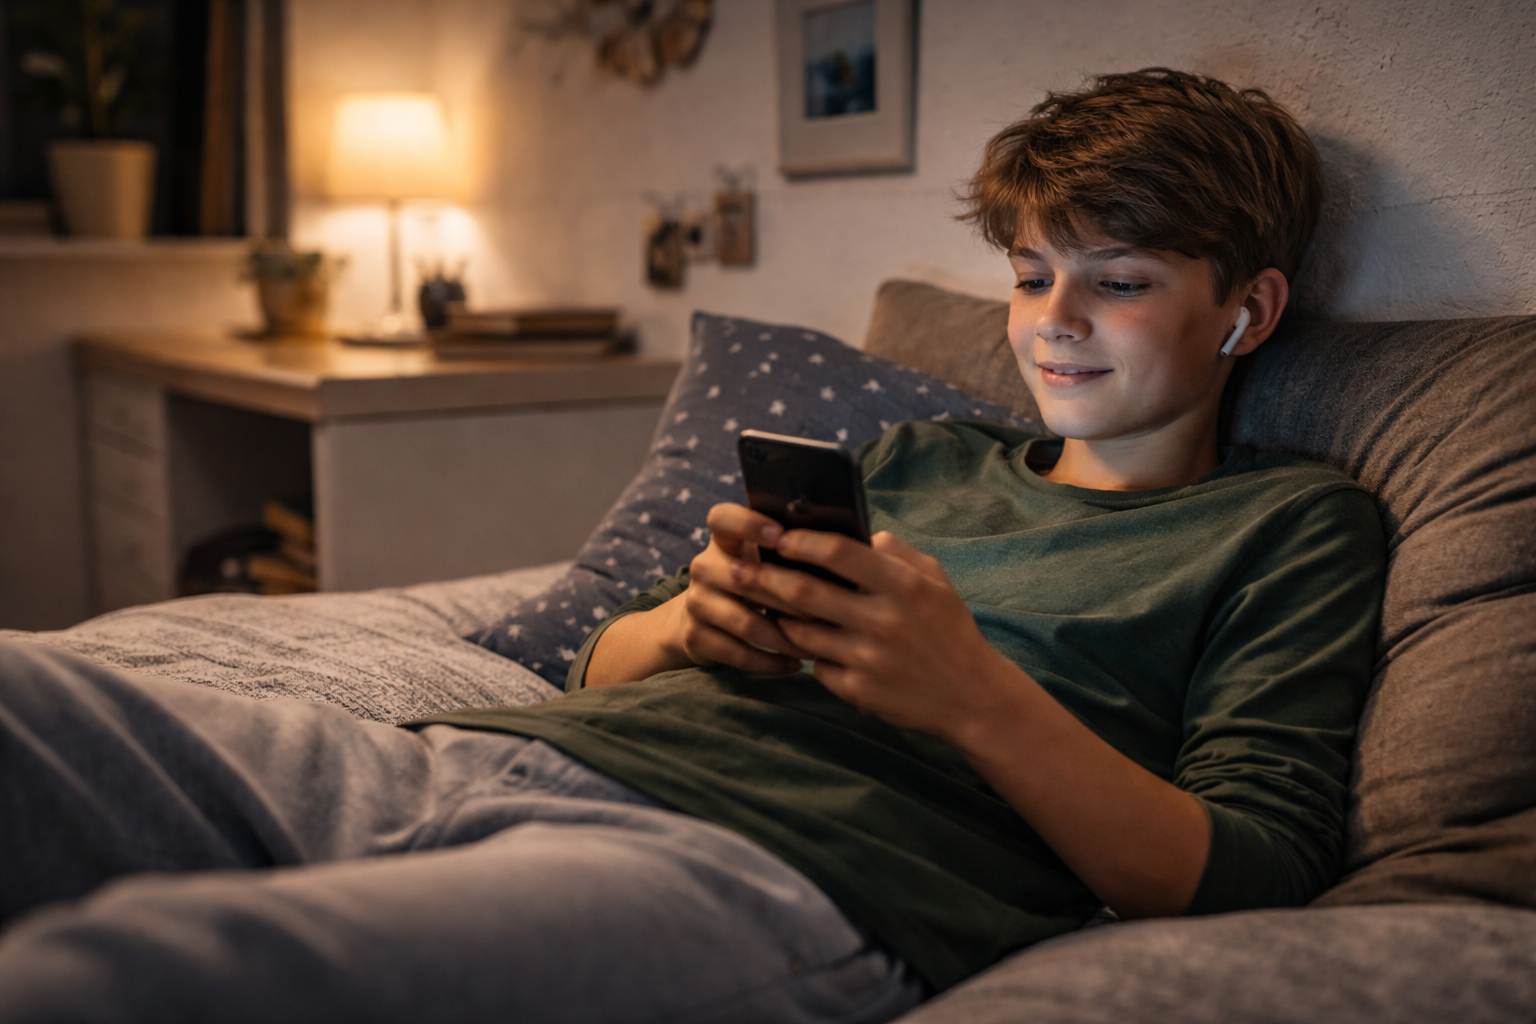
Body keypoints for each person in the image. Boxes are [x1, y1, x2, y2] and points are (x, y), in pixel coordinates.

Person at [0, 69, 1384, 1023]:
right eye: (1030, 275)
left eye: (1120, 283)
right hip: (480, 755)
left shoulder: (1289, 526)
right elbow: (606, 663)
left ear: (1246, 313)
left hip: (781, 870)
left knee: (133, 979)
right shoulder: (921, 457)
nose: (1051, 321)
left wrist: (966, 691)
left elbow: (1253, 868)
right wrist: (700, 620)